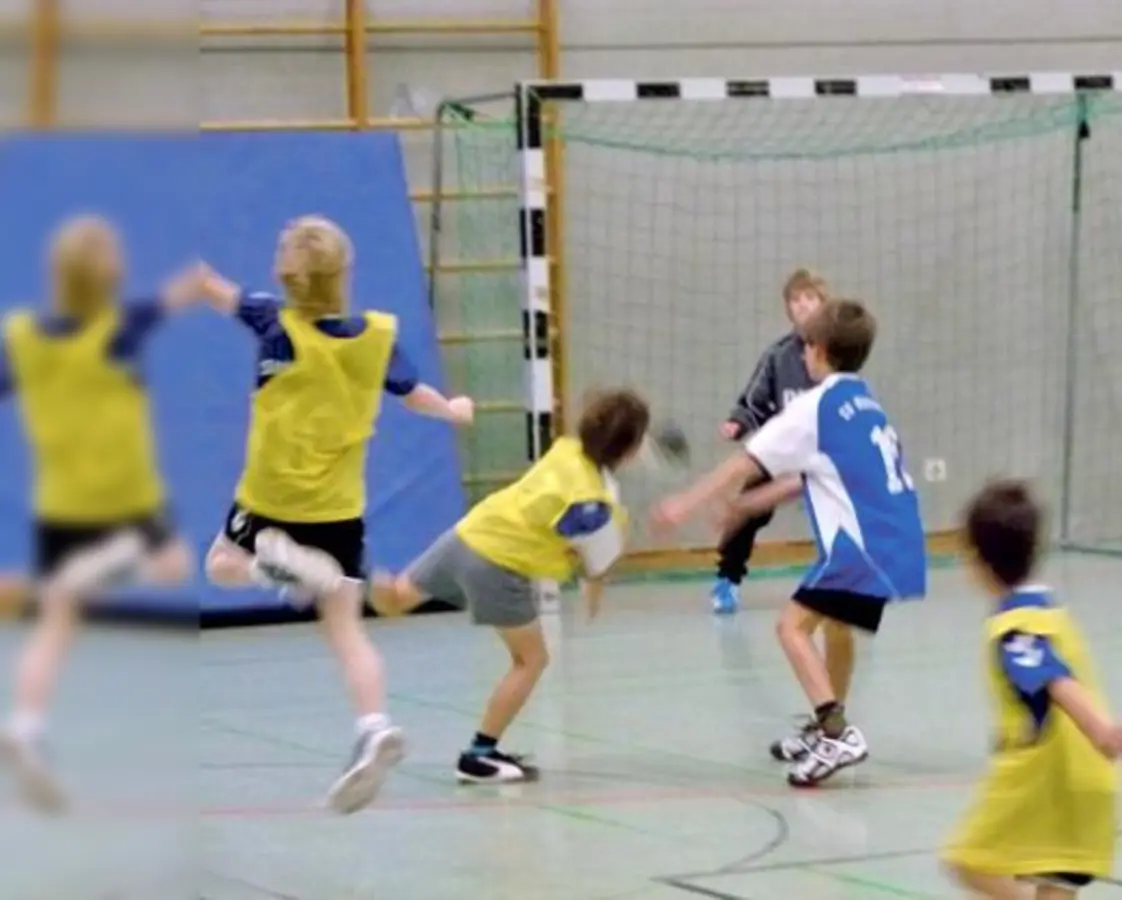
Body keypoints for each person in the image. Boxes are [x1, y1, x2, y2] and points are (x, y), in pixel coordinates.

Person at [190, 216, 474, 814]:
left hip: (271, 501)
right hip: (339, 512)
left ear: (284, 275)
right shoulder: (375, 337)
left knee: (219, 564)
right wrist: (453, 409)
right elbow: (415, 394)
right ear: (345, 274)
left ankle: (277, 571)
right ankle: (373, 724)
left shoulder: (273, 320)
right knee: (345, 625)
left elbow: (211, 287)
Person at [656, 298, 926, 787]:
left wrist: (685, 503)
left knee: (791, 627)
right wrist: (745, 507)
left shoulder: (812, 408)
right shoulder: (864, 403)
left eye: (804, 346)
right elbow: (808, 474)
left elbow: (745, 461)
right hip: (895, 536)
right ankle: (823, 726)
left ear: (817, 350)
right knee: (836, 628)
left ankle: (836, 732)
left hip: (861, 543)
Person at [0, 215, 203, 811]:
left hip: (59, 506)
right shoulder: (123, 329)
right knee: (173, 564)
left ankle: (26, 725)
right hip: (126, 501)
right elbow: (173, 296)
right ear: (107, 271)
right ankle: (81, 574)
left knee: (57, 623)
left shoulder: (24, 339)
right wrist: (200, 283)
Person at [368, 389, 651, 784]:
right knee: (531, 661)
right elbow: (593, 561)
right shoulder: (594, 504)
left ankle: (363, 578)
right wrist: (597, 582)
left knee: (395, 599)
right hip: (498, 565)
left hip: (469, 532)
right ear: (632, 449)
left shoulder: (565, 449)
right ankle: (479, 755)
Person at [941, 480, 1122, 900]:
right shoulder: (1051, 610)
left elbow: (1053, 677)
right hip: (1093, 784)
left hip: (1051, 787)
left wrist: (1098, 727)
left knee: (967, 861)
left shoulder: (1017, 627)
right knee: (1056, 885)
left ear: (976, 559)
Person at [709, 269, 826, 615]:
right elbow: (754, 402)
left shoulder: (836, 353)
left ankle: (855, 580)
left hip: (825, 456)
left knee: (850, 508)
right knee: (746, 506)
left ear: (823, 303)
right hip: (785, 454)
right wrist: (738, 422)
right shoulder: (778, 356)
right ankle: (726, 581)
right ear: (788, 308)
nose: (803, 305)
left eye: (810, 298)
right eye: (796, 299)